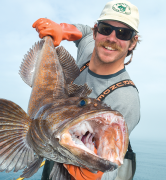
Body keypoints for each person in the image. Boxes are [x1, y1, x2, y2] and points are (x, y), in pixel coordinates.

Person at [33, 0, 140, 179]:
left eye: (123, 33)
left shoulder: (125, 98)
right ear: (96, 31)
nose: (112, 38)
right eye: (106, 29)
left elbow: (111, 162)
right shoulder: (90, 48)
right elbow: (82, 32)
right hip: (54, 150)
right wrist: (62, 30)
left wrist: (92, 175)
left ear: (132, 42)